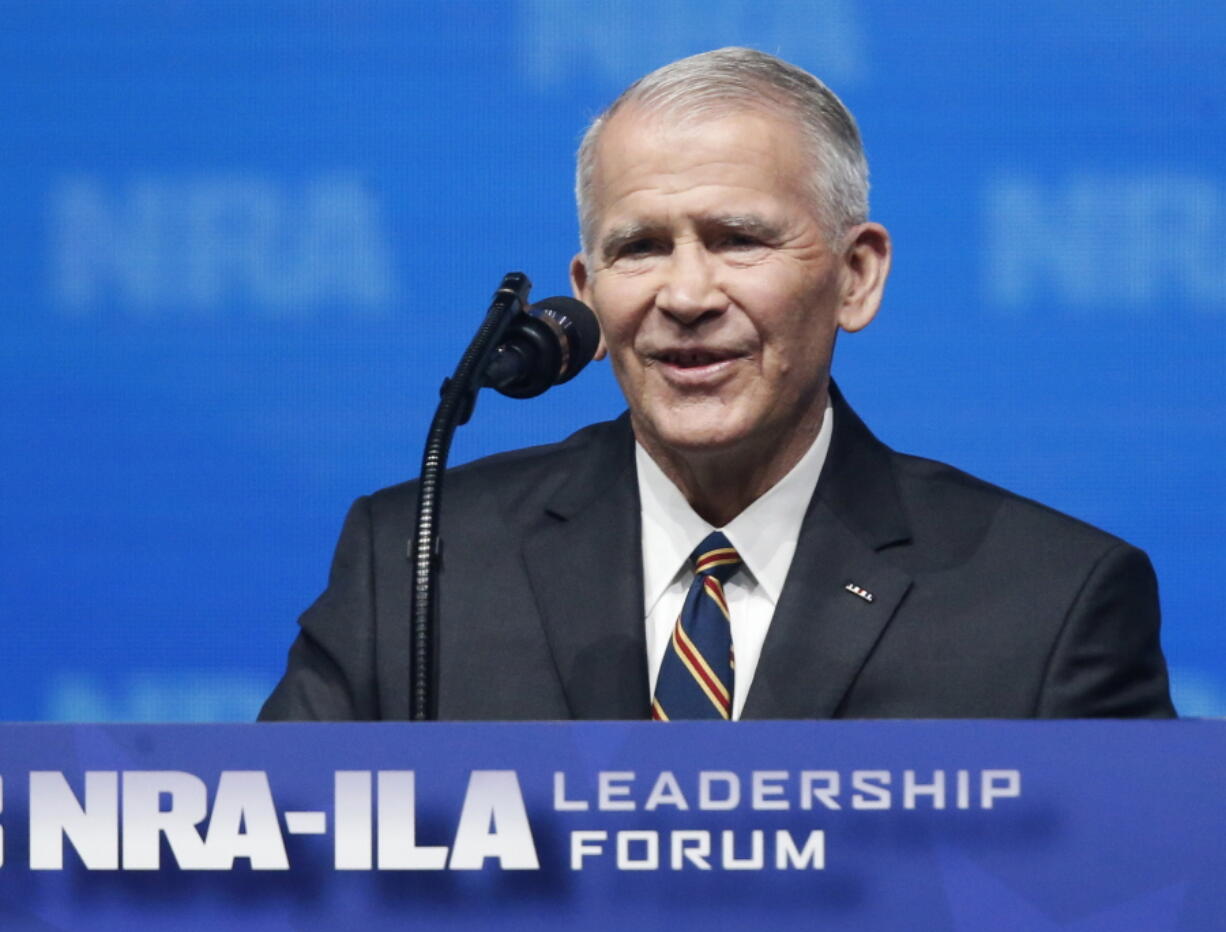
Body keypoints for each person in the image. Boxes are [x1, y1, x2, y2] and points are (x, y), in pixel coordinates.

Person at [260, 47, 1175, 721]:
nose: (687, 295)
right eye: (640, 248)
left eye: (740, 239)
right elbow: (268, 876)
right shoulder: (418, 563)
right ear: (586, 297)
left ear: (856, 276)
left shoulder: (1052, 602)